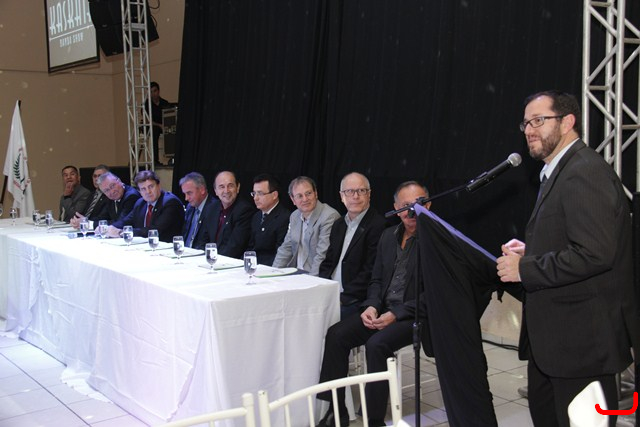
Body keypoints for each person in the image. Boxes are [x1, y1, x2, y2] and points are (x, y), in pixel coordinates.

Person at [496, 90, 637, 427]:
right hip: (556, 345)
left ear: (568, 121)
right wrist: (533, 251)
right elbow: (574, 239)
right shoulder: (560, 172)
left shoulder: (584, 171)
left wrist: (525, 268)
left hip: (582, 346)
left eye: (538, 120)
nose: (530, 130)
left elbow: (595, 253)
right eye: (526, 123)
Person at [315, 181, 430, 427]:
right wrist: (371, 306)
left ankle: (373, 419)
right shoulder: (389, 236)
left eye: (418, 204)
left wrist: (396, 314)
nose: (412, 211)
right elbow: (376, 279)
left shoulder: (435, 241)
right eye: (406, 206)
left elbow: (434, 294)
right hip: (382, 310)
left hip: (415, 315)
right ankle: (336, 410)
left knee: (376, 345)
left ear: (428, 206)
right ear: (396, 208)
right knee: (336, 335)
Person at [319, 172, 386, 319]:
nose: (355, 196)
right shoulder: (338, 224)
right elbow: (328, 262)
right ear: (341, 196)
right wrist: (322, 287)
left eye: (361, 190)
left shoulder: (379, 225)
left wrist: (342, 298)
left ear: (369, 194)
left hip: (354, 299)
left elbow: (370, 272)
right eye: (349, 191)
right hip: (330, 292)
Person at [272, 176, 340, 275]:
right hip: (296, 272)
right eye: (299, 196)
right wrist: (274, 273)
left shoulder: (329, 216)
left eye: (308, 193)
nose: (305, 199)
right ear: (293, 199)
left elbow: (322, 255)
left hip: (315, 275)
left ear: (316, 193)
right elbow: (286, 248)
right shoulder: (294, 216)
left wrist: (311, 280)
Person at [107, 170, 184, 242]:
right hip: (145, 246)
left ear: (158, 185)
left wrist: (122, 232)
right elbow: (127, 221)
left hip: (167, 247)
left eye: (151, 186)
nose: (148, 192)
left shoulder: (170, 202)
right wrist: (111, 228)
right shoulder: (140, 203)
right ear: (139, 191)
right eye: (143, 189)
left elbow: (155, 230)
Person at [205, 171, 255, 258]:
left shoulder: (244, 210)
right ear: (215, 191)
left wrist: (215, 260)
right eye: (221, 187)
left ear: (238, 188)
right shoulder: (211, 208)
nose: (226, 191)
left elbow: (235, 247)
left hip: (230, 261)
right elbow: (203, 240)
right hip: (210, 260)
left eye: (230, 186)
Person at [247, 173, 290, 265]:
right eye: (254, 193)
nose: (255, 198)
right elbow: (251, 247)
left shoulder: (285, 218)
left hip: (271, 267)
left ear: (274, 195)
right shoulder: (256, 216)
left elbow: (281, 253)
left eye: (260, 193)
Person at [180, 172, 220, 250]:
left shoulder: (215, 208)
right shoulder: (190, 207)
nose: (186, 198)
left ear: (202, 190)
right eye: (185, 194)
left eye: (189, 193)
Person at [69, 164, 110, 229]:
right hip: (84, 227)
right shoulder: (91, 194)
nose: (96, 179)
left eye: (99, 176)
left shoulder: (109, 195)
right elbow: (84, 214)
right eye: (94, 176)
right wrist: (76, 220)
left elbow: (103, 217)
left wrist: (85, 221)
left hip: (97, 228)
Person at [145, 81, 171, 165]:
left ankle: (172, 158)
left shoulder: (165, 103)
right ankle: (155, 160)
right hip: (154, 126)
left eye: (155, 91)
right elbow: (147, 120)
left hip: (164, 126)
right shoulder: (146, 104)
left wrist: (165, 125)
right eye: (151, 92)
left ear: (158, 91)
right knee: (154, 131)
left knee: (172, 130)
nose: (153, 94)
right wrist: (159, 125)